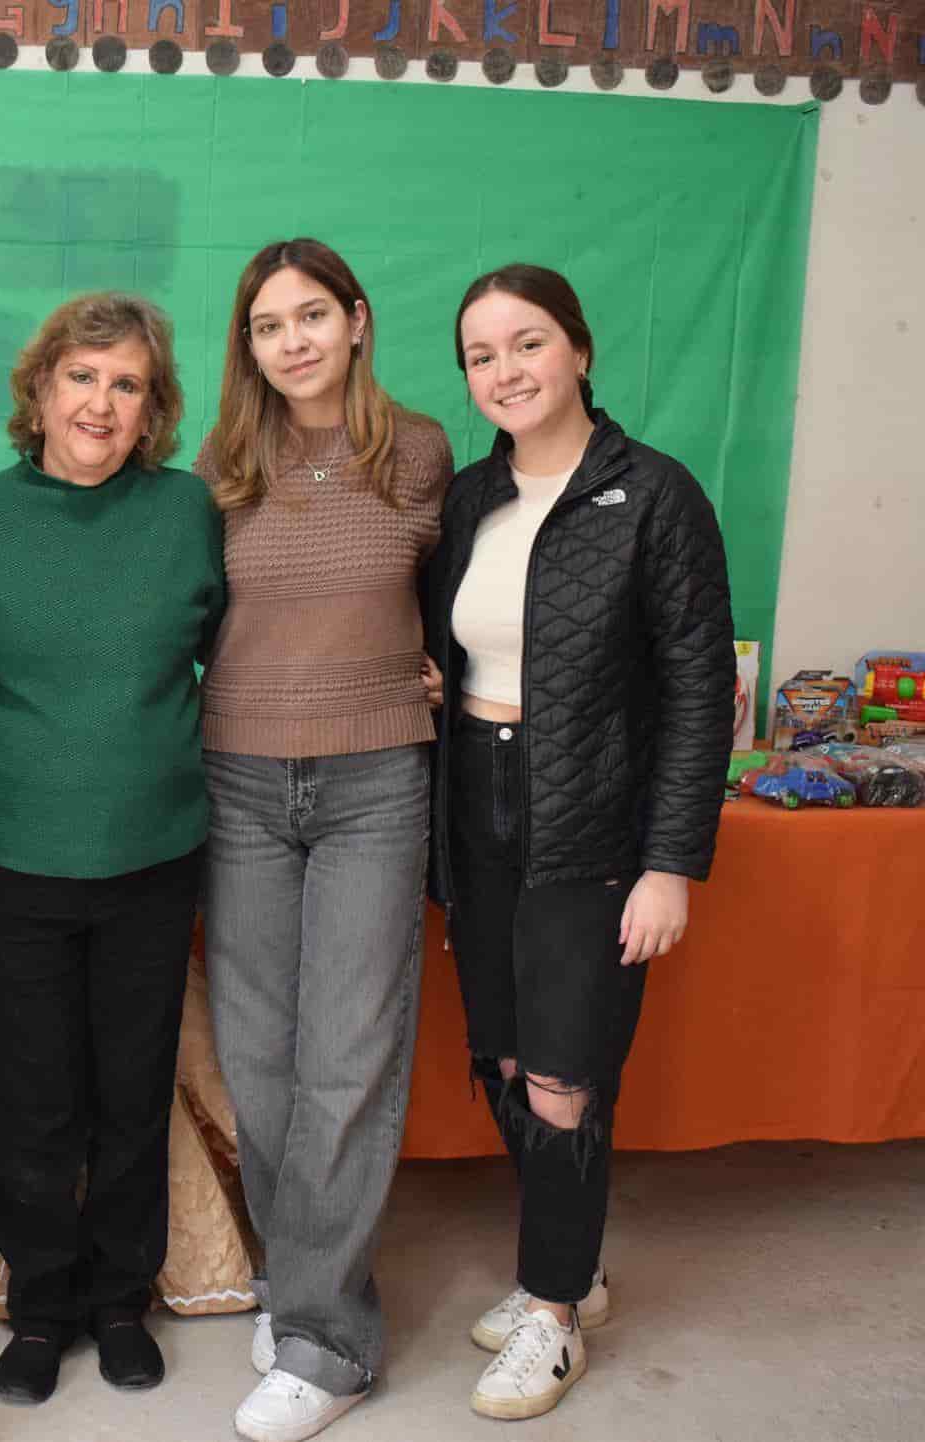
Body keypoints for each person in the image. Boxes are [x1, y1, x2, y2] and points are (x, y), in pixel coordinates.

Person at [428, 264, 735, 1421]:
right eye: (481, 354)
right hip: (478, 803)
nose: (506, 370)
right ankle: (575, 1267)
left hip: (593, 823)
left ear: (582, 350)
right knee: (508, 1056)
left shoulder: (654, 495)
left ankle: (550, 1314)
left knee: (565, 1071)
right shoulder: (469, 498)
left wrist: (670, 863)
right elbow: (445, 654)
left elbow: (702, 693)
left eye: (529, 342)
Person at [0, 292, 225, 1409]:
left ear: (153, 410)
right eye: (83, 377)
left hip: (155, 852)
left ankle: (120, 1298)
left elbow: (232, 655)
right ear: (41, 389)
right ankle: (39, 1304)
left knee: (133, 1089)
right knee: (41, 1094)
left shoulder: (188, 513)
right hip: (17, 854)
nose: (102, 402)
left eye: (128, 384)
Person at [192, 239, 453, 1442]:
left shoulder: (421, 451)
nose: (290, 340)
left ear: (356, 319)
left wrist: (442, 676)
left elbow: (464, 597)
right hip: (240, 781)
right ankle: (306, 1283)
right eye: (265, 325)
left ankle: (327, 1339)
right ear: (246, 347)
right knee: (260, 1060)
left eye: (311, 316)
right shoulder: (225, 465)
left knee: (350, 1055)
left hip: (374, 784)